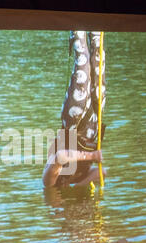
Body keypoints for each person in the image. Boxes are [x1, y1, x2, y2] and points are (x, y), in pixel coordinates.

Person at [43, 31, 106, 187]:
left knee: (82, 62)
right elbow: (101, 172)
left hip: (73, 123)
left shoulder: (50, 183)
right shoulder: (74, 180)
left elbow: (60, 157)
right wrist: (77, 186)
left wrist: (91, 156)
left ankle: (76, 23)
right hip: (92, 126)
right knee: (98, 57)